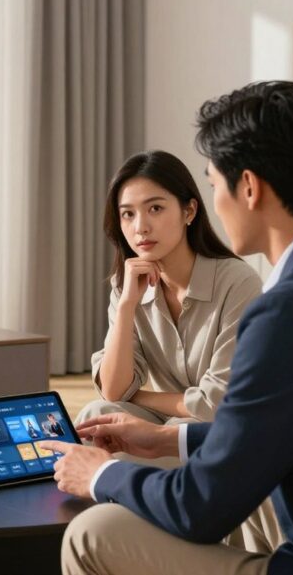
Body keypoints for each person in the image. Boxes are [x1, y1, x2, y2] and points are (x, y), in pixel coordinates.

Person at [40, 81, 293, 575]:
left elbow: (200, 508)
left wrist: (103, 474)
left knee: (92, 534)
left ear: (248, 187)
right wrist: (168, 441)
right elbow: (288, 427)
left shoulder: (288, 310)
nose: (214, 200)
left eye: (212, 184)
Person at [77, 150, 262, 427]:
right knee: (97, 416)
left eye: (155, 209)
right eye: (128, 214)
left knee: (177, 428)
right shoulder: (126, 285)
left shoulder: (238, 283)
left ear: (189, 211)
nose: (140, 227)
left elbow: (216, 403)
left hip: (230, 428)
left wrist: (138, 397)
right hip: (171, 420)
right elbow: (113, 392)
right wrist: (127, 305)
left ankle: (104, 470)